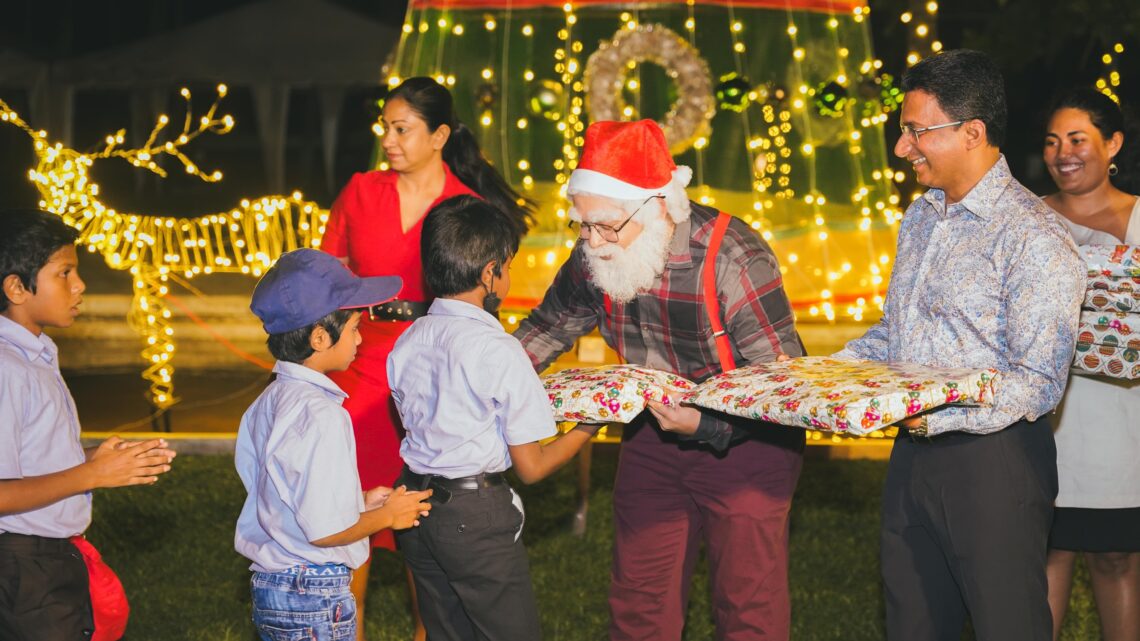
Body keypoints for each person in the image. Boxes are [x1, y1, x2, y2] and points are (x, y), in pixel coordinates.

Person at [514, 119, 805, 641]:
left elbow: (781, 388)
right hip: (653, 438)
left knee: (748, 609)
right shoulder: (595, 252)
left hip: (749, 442)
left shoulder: (733, 257)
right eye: (583, 227)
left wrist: (708, 424)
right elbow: (547, 327)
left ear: (659, 208)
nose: (594, 244)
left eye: (606, 228)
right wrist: (485, 379)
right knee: (639, 603)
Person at [834, 50, 1086, 641]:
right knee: (913, 624)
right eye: (903, 131)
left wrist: (934, 403)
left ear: (972, 132)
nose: (903, 148)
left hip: (993, 465)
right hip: (910, 459)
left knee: (1009, 627)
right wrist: (823, 375)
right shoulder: (920, 217)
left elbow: (1039, 381)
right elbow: (898, 334)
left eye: (917, 131)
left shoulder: (1035, 237)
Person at [320, 76, 532, 640]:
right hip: (361, 367)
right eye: (384, 128)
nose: (388, 140)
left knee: (426, 522)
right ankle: (344, 629)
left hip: (430, 372)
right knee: (347, 516)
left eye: (401, 128)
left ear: (439, 135)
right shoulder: (361, 191)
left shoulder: (465, 207)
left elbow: (484, 299)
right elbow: (326, 277)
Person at [387, 195, 598, 641]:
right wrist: (589, 426)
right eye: (506, 266)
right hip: (473, 519)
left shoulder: (408, 340)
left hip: (414, 506)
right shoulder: (497, 349)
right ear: (490, 273)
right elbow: (533, 466)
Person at [236, 248, 434, 641]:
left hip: (275, 588)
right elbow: (325, 531)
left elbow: (286, 497)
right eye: (356, 326)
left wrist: (358, 501)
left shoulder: (269, 402)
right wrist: (388, 516)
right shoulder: (321, 413)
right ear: (321, 336)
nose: (361, 337)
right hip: (314, 595)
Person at [0, 208, 177, 639]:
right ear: (17, 287)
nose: (79, 286)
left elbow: (27, 459)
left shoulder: (35, 354)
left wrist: (94, 460)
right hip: (24, 569)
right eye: (65, 273)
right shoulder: (7, 368)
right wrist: (90, 473)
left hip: (49, 560)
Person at [1040, 88, 1140, 641]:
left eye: (1078, 139)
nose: (1063, 153)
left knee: (1118, 557)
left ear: (1113, 143)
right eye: (1053, 141)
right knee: (1047, 554)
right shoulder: (1028, 221)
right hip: (1048, 424)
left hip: (1124, 428)